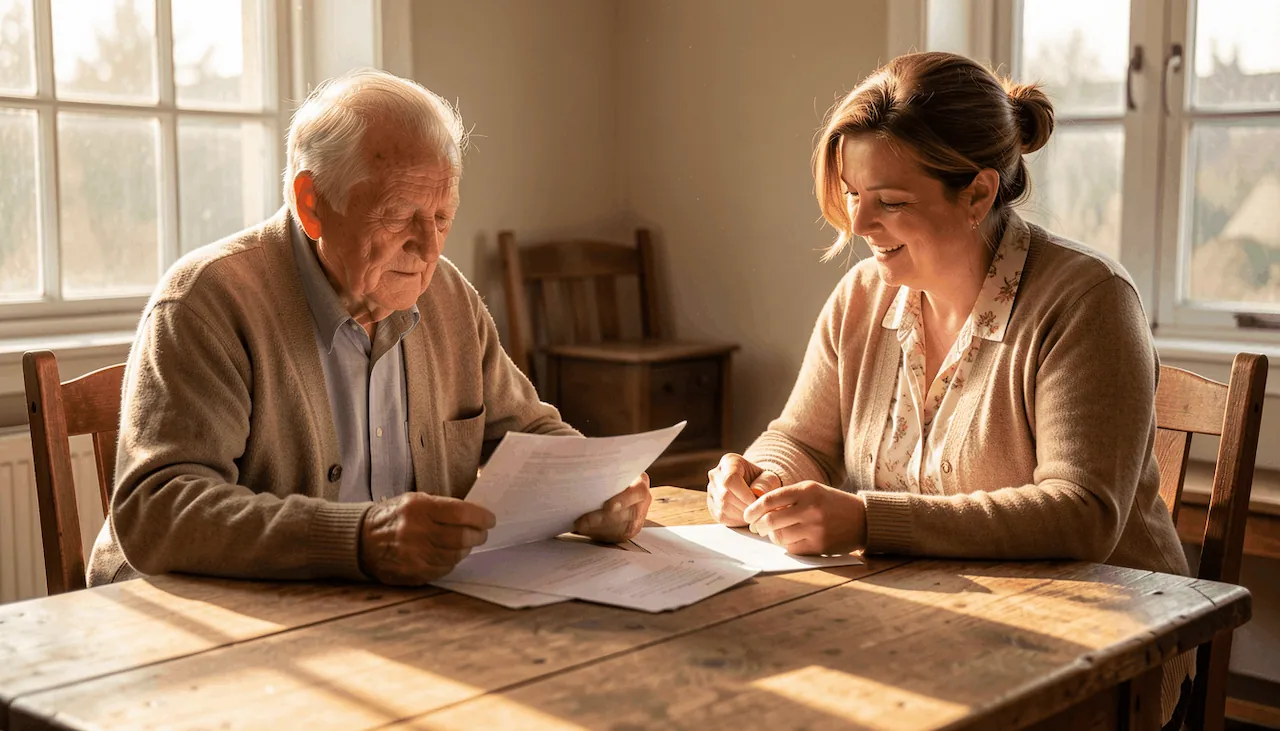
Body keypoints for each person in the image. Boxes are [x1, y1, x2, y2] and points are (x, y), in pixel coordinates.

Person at [705, 52, 1192, 727]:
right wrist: (761, 476)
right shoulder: (862, 296)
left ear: (978, 194)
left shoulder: (1088, 299)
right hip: (924, 619)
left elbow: (1082, 513)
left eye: (891, 202)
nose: (860, 225)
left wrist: (867, 519)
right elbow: (801, 436)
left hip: (1098, 648)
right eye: (853, 194)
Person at [88, 69, 650, 588]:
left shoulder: (449, 297)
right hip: (198, 627)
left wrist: (600, 490)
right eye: (399, 214)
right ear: (312, 205)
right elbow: (157, 510)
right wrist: (359, 538)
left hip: (383, 614)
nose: (429, 248)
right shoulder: (207, 299)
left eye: (442, 218)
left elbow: (532, 436)